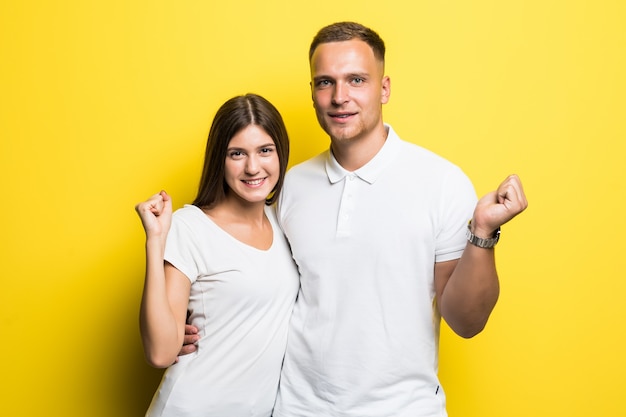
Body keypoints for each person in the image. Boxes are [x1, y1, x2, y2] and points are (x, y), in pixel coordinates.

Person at [183, 22, 528, 416]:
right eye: (325, 82)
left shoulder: (442, 182)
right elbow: (262, 279)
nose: (339, 97)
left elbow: (467, 322)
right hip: (297, 407)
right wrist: (188, 322)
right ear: (312, 94)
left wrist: (482, 233)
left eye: (356, 80)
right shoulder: (291, 184)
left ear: (384, 89)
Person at [134, 93, 299, 417]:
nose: (253, 167)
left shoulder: (285, 222)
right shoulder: (190, 227)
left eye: (265, 150)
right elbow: (161, 352)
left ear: (280, 152)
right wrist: (156, 241)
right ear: (219, 159)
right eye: (237, 154)